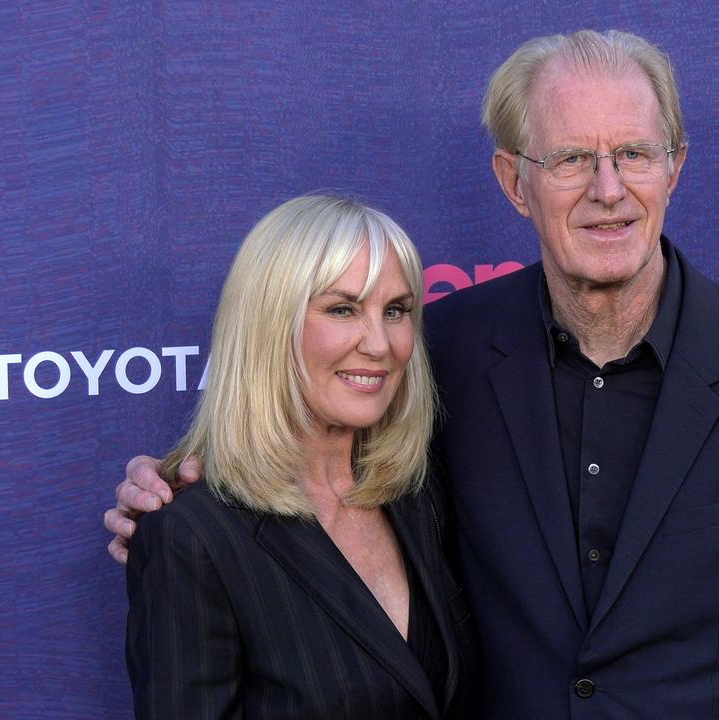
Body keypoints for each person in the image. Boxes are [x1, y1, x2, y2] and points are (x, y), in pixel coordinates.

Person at [109, 31, 719, 719]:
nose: (608, 189)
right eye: (571, 160)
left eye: (633, 154)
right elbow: (302, 473)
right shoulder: (435, 355)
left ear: (675, 168)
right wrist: (177, 492)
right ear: (514, 181)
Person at [123, 195, 473, 719]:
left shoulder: (421, 493)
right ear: (269, 326)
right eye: (342, 309)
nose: (380, 343)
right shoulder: (192, 538)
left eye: (396, 310)